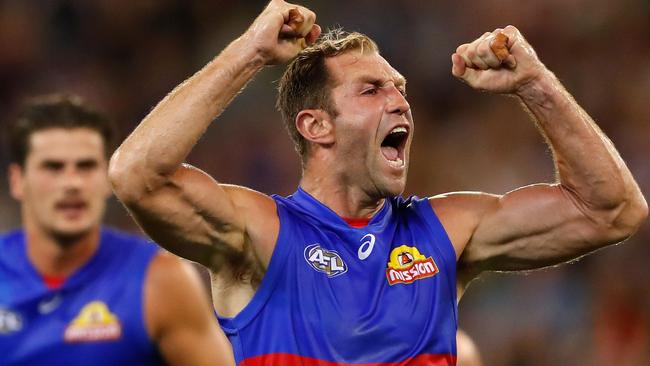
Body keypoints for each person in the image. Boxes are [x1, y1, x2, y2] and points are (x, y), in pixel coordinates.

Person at [108, 0, 648, 364]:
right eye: (371, 90)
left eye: (398, 86)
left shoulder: (447, 230)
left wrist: (536, 84)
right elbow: (137, 175)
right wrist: (248, 52)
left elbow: (613, 211)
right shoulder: (260, 234)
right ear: (316, 126)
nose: (398, 100)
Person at [0, 94, 234, 366]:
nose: (72, 183)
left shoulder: (159, 280)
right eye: (53, 167)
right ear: (17, 181)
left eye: (86, 167)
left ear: (106, 179)